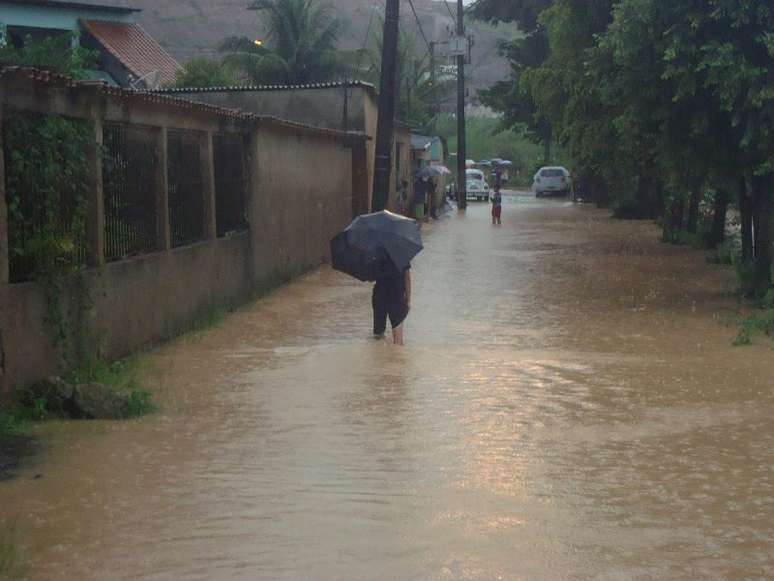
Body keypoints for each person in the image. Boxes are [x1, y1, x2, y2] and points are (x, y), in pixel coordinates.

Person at [373, 261, 412, 345]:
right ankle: (397, 357)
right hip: (397, 297)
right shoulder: (401, 256)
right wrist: (408, 300)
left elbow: (371, 276)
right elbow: (407, 278)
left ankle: (379, 356)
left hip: (380, 296)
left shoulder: (378, 254)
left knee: (378, 336)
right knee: (398, 339)